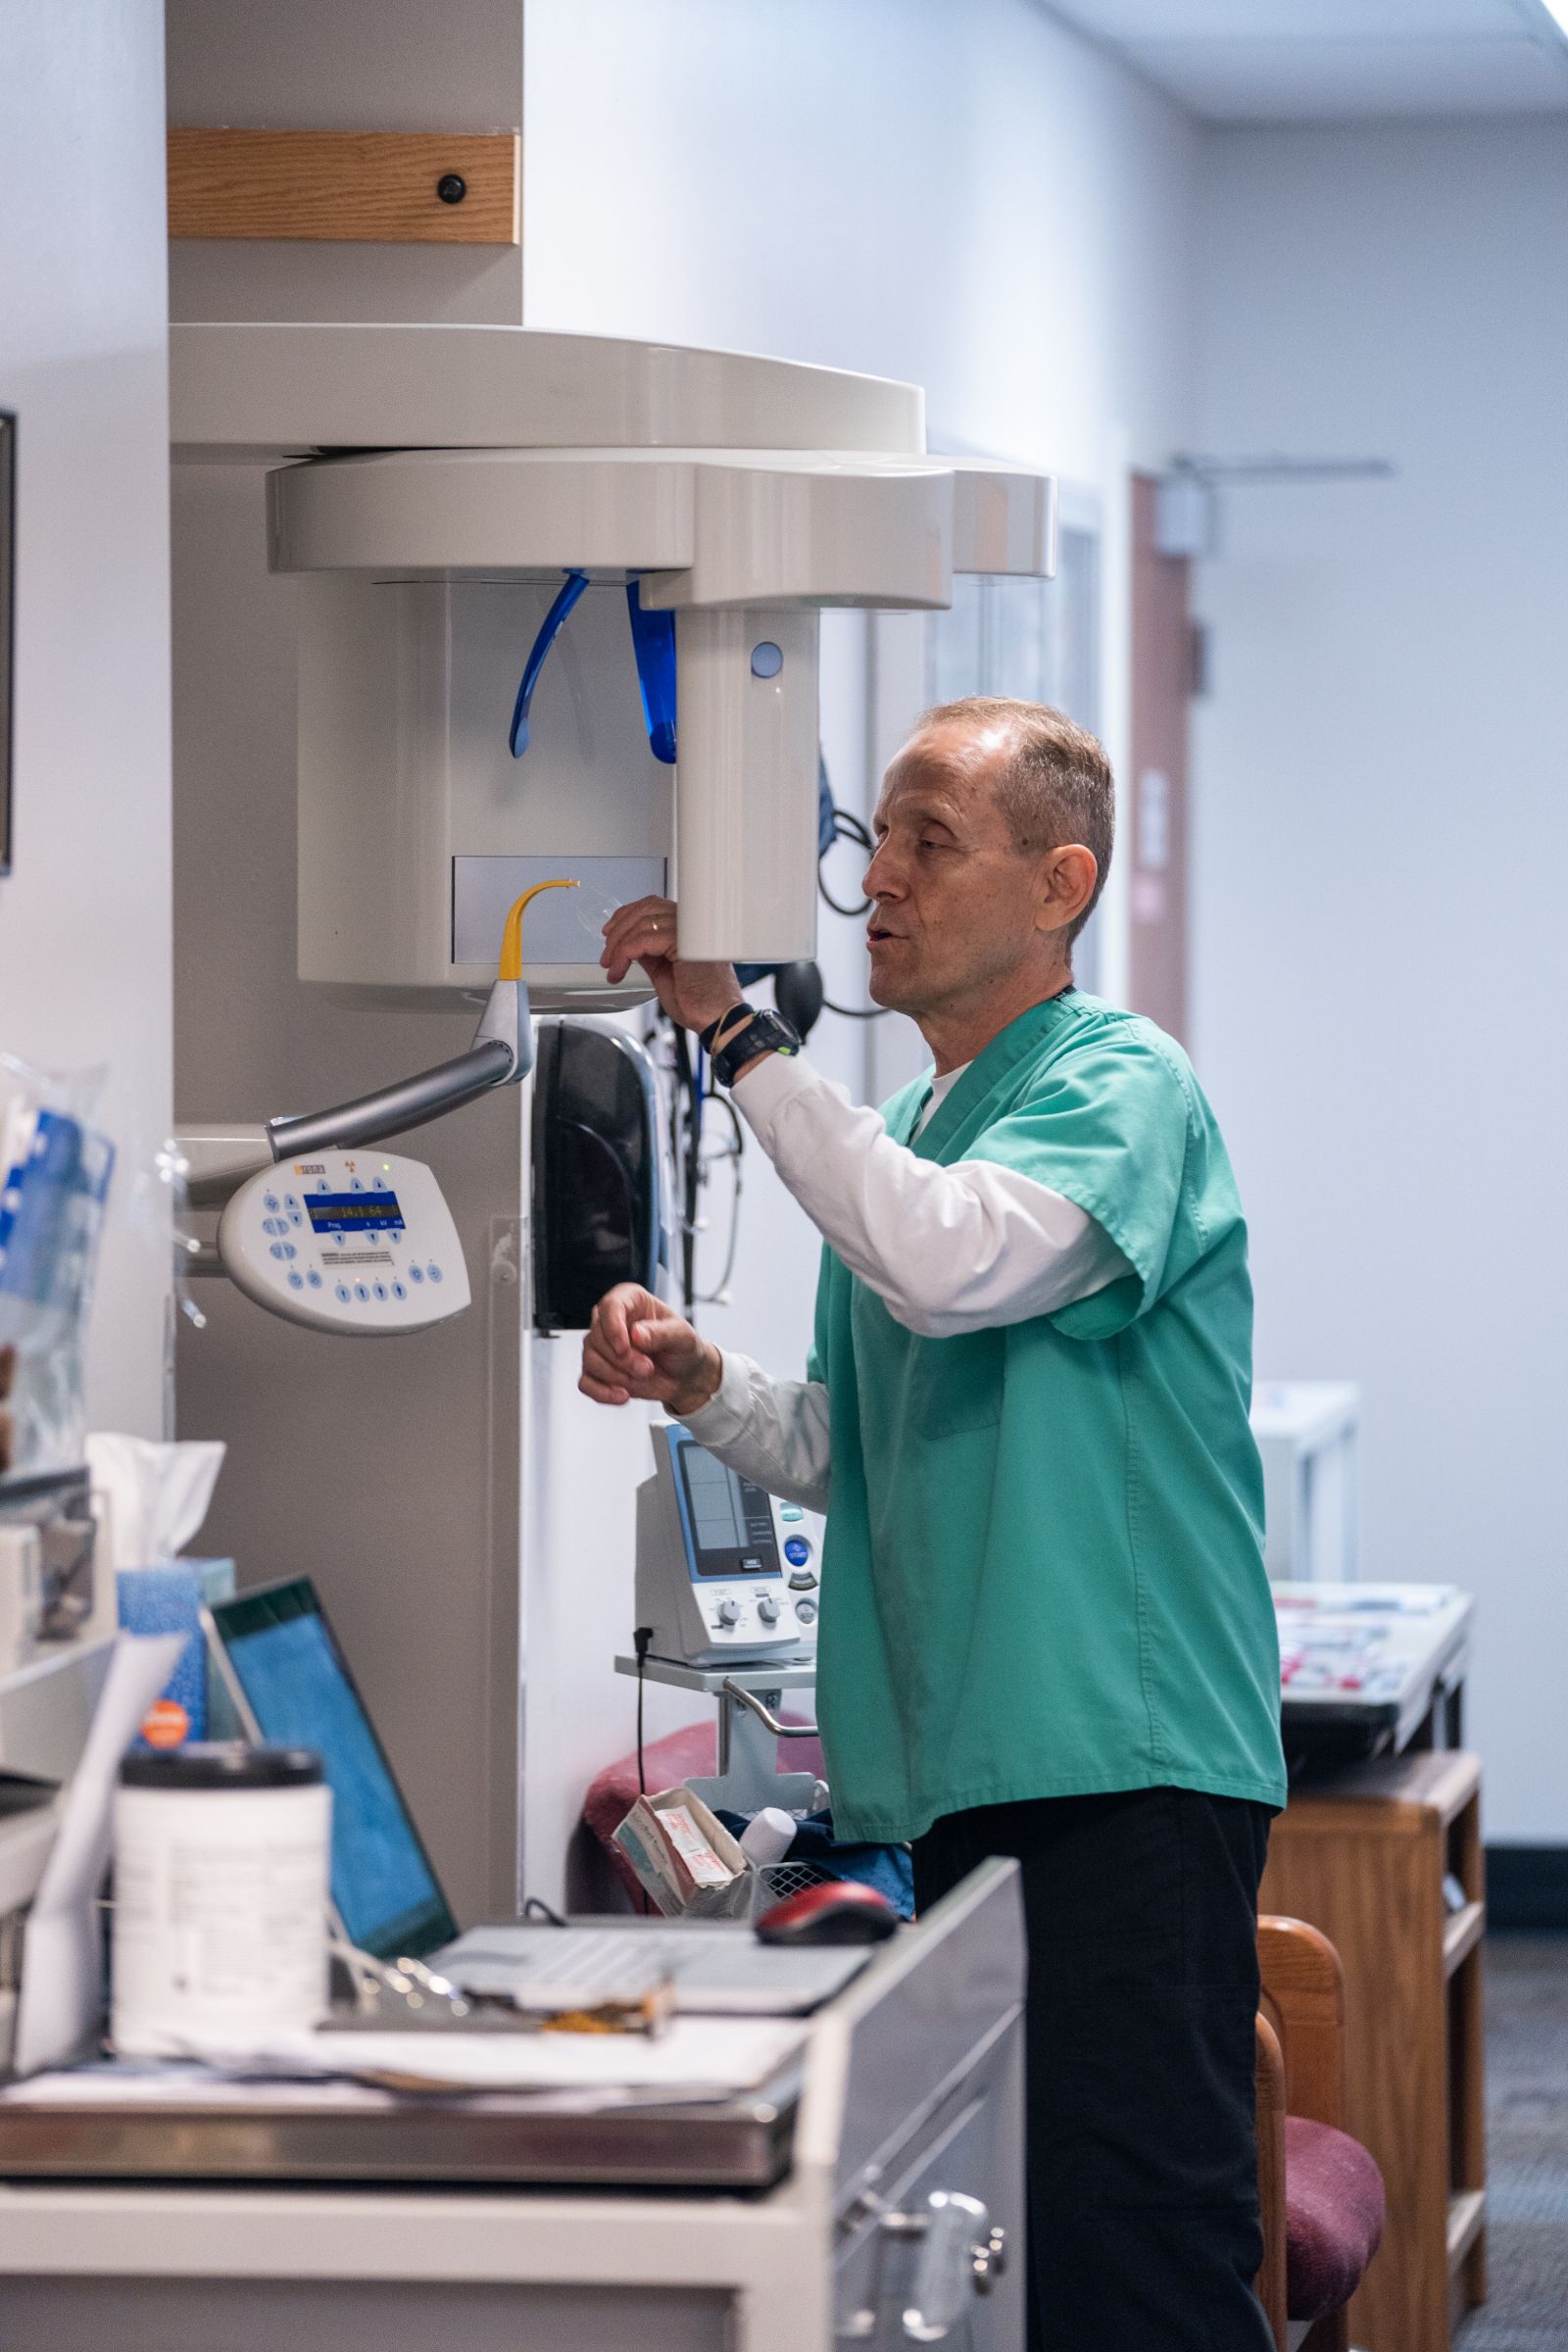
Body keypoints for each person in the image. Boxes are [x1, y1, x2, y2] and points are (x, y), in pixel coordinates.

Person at [580, 696, 1285, 2351]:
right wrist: (702, 1383)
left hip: (1125, 1762)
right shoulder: (905, 1141)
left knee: (1137, 2257)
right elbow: (854, 1444)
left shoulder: (1124, 1086)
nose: (879, 881)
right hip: (971, 1770)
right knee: (1024, 2250)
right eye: (877, 839)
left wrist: (738, 1041)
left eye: (929, 841)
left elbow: (957, 1266)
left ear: (1060, 885)